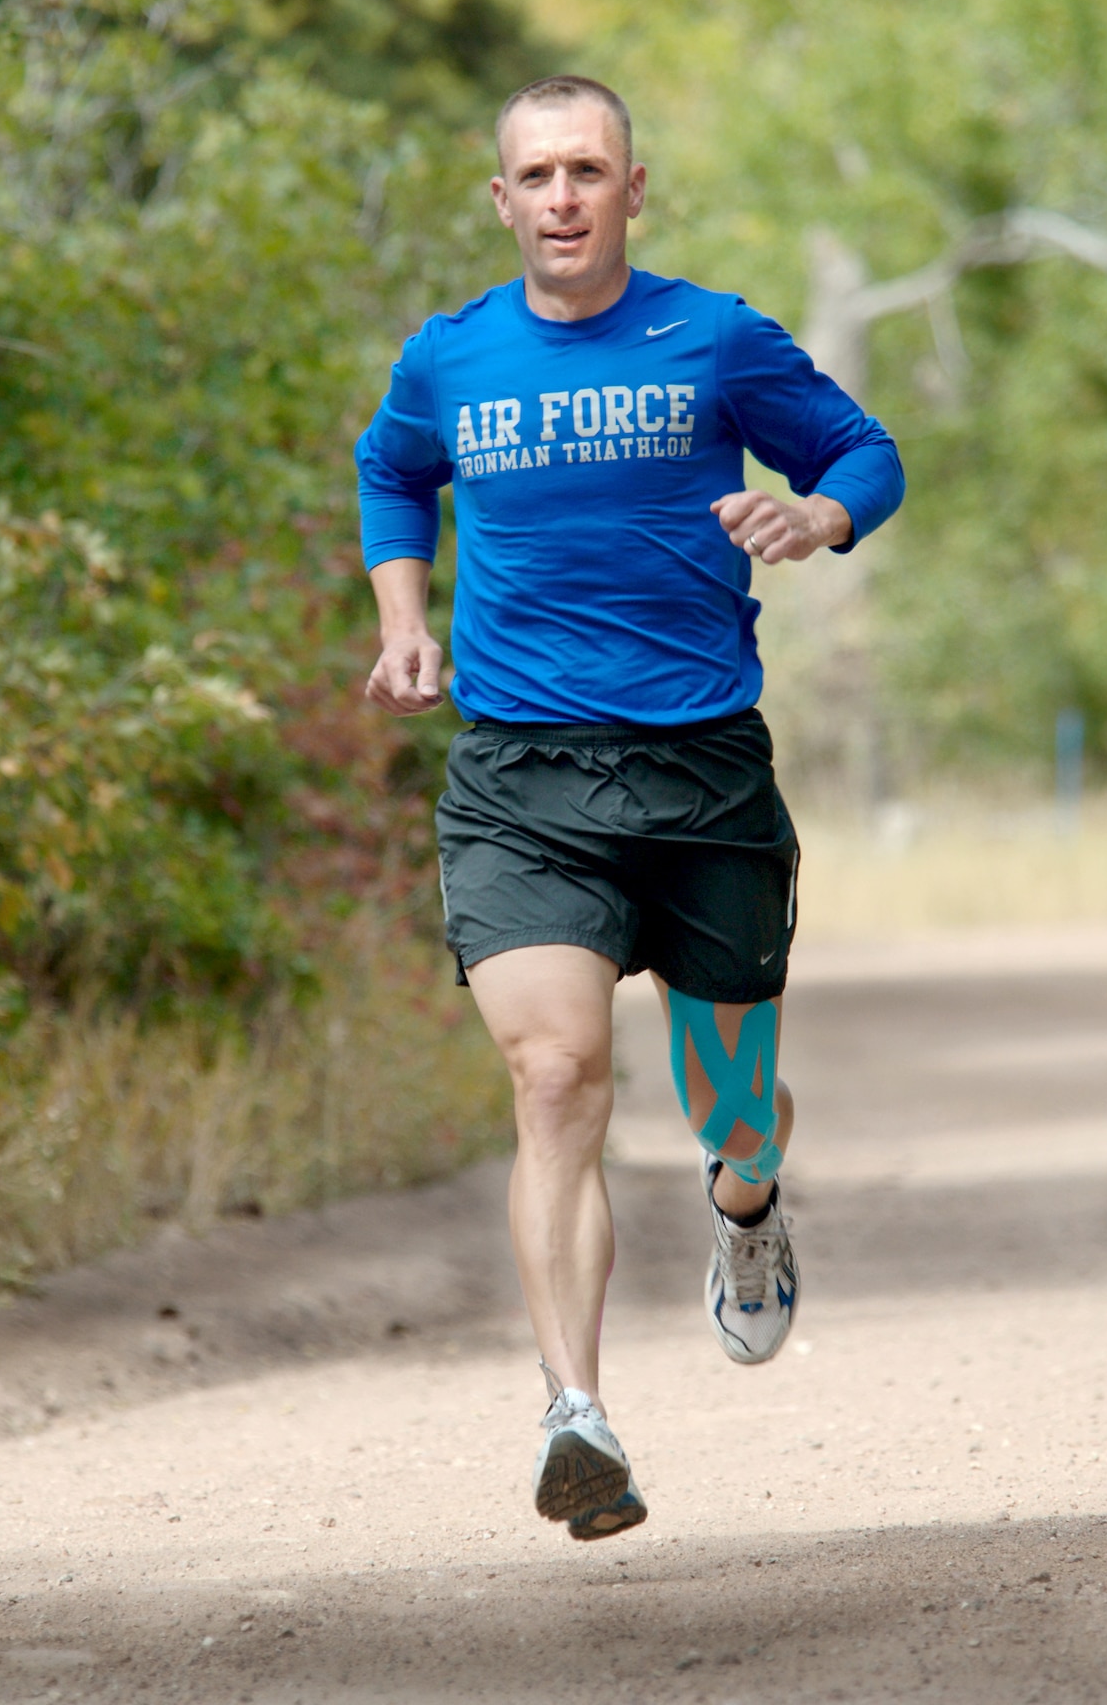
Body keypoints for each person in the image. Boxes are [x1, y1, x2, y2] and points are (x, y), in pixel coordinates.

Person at [355, 75, 904, 1541]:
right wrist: (404, 618)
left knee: (733, 1110)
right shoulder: (449, 356)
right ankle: (575, 1416)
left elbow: (865, 452)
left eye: (585, 171)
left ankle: (745, 1210)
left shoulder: (713, 337)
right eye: (533, 175)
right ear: (500, 199)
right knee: (554, 1080)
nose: (559, 198)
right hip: (520, 777)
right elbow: (392, 475)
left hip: (700, 768)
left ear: (631, 187)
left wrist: (815, 514)